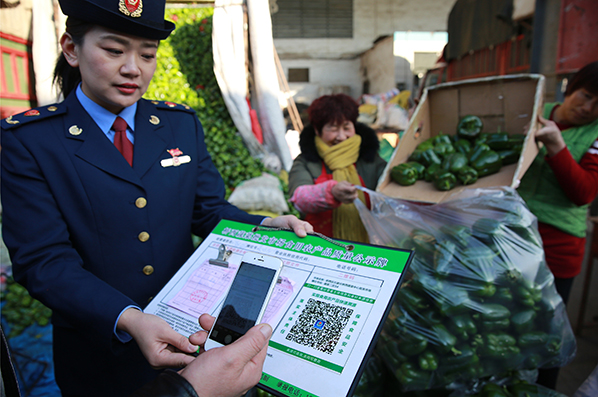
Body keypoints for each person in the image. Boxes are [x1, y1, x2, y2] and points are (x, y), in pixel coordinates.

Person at [0, 0, 312, 396]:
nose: (133, 68)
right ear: (71, 49)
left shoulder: (179, 126)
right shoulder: (32, 141)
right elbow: (43, 260)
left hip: (193, 334)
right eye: (114, 51)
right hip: (99, 349)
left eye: (147, 54)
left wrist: (265, 225)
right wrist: (128, 318)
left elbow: (208, 211)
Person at [517, 61, 598, 389]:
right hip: (513, 238)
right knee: (503, 322)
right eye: (586, 95)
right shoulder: (535, 109)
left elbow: (584, 192)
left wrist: (557, 146)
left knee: (547, 337)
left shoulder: (596, 134)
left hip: (558, 247)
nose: (588, 108)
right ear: (571, 86)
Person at [288, 94, 387, 244]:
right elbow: (299, 198)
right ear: (317, 130)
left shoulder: (369, 158)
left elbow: (390, 190)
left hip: (368, 247)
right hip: (319, 246)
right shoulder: (305, 161)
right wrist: (331, 192)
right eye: (333, 128)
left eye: (346, 127)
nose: (341, 137)